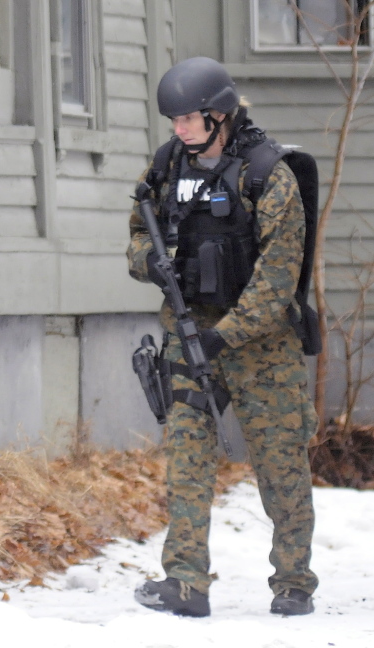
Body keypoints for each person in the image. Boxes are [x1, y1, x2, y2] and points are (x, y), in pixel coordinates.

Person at [127, 57, 317, 618]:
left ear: (221, 114)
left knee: (281, 462)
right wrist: (151, 264)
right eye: (174, 119)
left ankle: (294, 581)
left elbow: (278, 279)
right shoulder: (165, 168)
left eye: (190, 118)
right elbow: (139, 235)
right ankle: (186, 580)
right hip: (187, 334)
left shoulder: (267, 174)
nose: (180, 129)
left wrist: (226, 336)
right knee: (187, 458)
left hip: (261, 344)